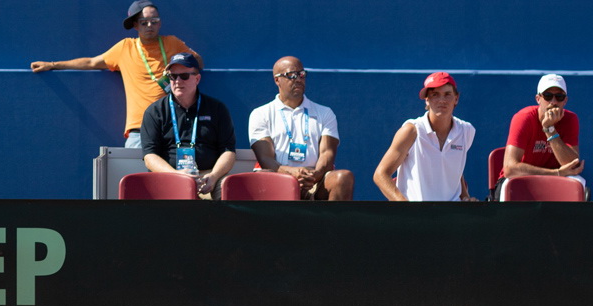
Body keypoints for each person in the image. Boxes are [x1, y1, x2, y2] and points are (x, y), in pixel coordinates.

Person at [31, 0, 193, 148]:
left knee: (178, 177)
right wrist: (52, 65)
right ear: (135, 25)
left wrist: (178, 65)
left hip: (174, 125)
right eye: (144, 22)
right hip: (140, 128)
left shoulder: (172, 43)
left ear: (160, 23)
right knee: (136, 177)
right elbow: (92, 62)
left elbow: (197, 62)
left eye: (154, 21)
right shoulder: (125, 48)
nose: (149, 25)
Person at [248, 56, 354, 200]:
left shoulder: (324, 112)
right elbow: (265, 158)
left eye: (302, 74)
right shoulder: (260, 113)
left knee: (343, 178)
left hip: (314, 178)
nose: (298, 79)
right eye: (291, 75)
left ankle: (332, 223)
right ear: (277, 80)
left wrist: (314, 175)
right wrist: (292, 174)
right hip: (276, 177)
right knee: (263, 177)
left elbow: (327, 154)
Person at [140, 52, 236, 199]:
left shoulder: (217, 108)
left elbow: (228, 151)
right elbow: (150, 156)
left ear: (197, 79)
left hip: (207, 176)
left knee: (228, 190)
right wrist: (176, 175)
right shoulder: (155, 111)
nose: (177, 81)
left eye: (184, 76)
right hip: (168, 176)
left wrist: (214, 176)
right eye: (172, 76)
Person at [373, 72, 477, 202]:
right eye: (435, 95)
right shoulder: (411, 131)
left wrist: (465, 196)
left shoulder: (467, 131)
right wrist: (405, 206)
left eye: (447, 94)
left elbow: (452, 168)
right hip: (416, 217)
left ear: (456, 98)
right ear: (427, 100)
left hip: (452, 216)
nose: (442, 100)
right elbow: (381, 174)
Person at [495, 74, 584, 200]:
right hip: (520, 179)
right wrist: (556, 173)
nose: (553, 102)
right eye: (548, 96)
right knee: (510, 184)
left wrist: (550, 130)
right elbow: (510, 169)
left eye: (559, 97)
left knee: (577, 182)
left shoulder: (570, 119)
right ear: (538, 99)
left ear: (565, 101)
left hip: (554, 182)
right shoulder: (524, 118)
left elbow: (572, 165)